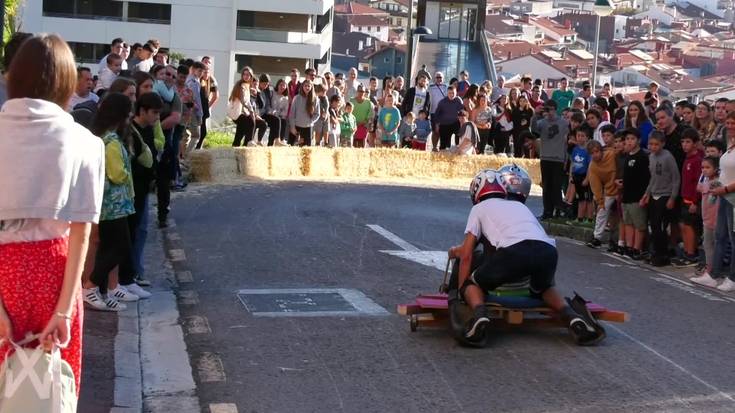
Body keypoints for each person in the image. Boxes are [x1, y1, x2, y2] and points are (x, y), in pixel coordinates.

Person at [0, 33, 105, 395]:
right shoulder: (86, 143)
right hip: (56, 273)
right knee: (50, 388)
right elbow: (82, 230)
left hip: (4, 272)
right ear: (65, 82)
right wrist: (63, 311)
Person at [447, 166, 605, 345]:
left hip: (514, 252)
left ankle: (478, 315)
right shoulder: (518, 206)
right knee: (542, 289)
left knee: (472, 284)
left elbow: (467, 255)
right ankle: (571, 316)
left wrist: (462, 293)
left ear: (476, 192)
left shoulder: (479, 209)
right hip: (547, 252)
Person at [695, 112, 735, 291]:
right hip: (724, 195)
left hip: (732, 196)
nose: (730, 126)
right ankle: (713, 274)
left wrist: (725, 189)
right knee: (720, 237)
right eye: (728, 123)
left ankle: (732, 278)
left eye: (733, 123)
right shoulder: (730, 144)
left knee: (733, 240)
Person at [640, 131, 680, 266]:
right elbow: (652, 178)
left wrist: (672, 198)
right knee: (654, 226)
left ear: (662, 144)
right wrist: (646, 194)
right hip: (654, 194)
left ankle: (663, 255)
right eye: (651, 144)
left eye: (656, 144)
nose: (653, 147)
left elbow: (676, 178)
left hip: (665, 194)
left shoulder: (668, 157)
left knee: (661, 227)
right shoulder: (651, 157)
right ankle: (655, 252)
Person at [672, 128, 703, 267]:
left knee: (689, 226)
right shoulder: (687, 158)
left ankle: (691, 254)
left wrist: (695, 201)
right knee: (682, 225)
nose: (685, 145)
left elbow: (699, 182)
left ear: (695, 144)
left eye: (688, 142)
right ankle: (686, 251)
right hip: (684, 198)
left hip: (692, 200)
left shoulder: (697, 160)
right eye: (683, 142)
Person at [534, 99, 570, 220]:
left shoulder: (564, 123)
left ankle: (558, 210)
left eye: (550, 109)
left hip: (558, 158)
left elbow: (567, 141)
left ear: (555, 109)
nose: (548, 112)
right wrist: (536, 114)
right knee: (546, 186)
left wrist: (566, 159)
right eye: (546, 110)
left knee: (556, 186)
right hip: (545, 158)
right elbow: (533, 129)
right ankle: (547, 211)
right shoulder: (542, 123)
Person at [621, 128, 650, 260]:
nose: (629, 141)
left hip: (637, 196)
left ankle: (637, 248)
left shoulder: (643, 157)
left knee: (639, 224)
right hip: (626, 195)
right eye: (627, 139)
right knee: (628, 222)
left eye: (632, 139)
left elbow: (645, 178)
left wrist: (644, 195)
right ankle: (629, 246)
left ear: (638, 140)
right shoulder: (628, 156)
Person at [586, 139, 619, 249]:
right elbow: (595, 185)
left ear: (601, 150)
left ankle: (619, 241)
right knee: (602, 211)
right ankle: (597, 237)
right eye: (592, 153)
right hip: (609, 190)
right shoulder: (593, 166)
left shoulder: (611, 155)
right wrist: (600, 201)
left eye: (597, 152)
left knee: (620, 216)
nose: (595, 155)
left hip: (620, 187)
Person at [692, 156, 720, 280]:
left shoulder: (716, 183)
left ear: (716, 169)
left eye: (708, 167)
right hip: (707, 218)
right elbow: (698, 187)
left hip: (714, 219)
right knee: (707, 244)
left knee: (710, 244)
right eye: (702, 167)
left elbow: (700, 188)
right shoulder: (705, 180)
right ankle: (710, 269)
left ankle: (710, 271)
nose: (704, 170)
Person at [570, 127, 593, 222]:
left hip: (585, 177)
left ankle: (590, 218)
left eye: (582, 136)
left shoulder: (588, 151)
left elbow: (590, 166)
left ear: (587, 138)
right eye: (578, 136)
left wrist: (587, 179)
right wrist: (571, 175)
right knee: (580, 198)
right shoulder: (575, 149)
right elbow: (573, 162)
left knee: (588, 199)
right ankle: (580, 218)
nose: (580, 138)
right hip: (577, 176)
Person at [289, 79, 321, 147]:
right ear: (302, 87)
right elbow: (292, 114)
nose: (307, 87)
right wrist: (292, 127)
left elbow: (317, 114)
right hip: (296, 126)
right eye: (305, 86)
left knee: (306, 150)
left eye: (309, 86)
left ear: (311, 87)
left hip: (308, 127)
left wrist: (310, 121)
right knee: (291, 146)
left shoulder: (315, 99)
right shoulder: (296, 98)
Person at [433, 86, 464, 150]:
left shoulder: (458, 101)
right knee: (444, 145)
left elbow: (463, 112)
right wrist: (437, 125)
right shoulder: (442, 102)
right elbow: (437, 114)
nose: (451, 95)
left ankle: (458, 150)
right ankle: (443, 154)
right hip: (444, 124)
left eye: (453, 93)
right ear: (447, 93)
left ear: (456, 93)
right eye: (450, 93)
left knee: (459, 135)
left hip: (455, 123)